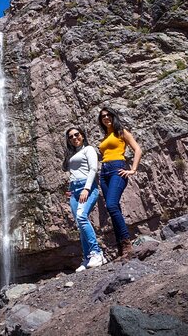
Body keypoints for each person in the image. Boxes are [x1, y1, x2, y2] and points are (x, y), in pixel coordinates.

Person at [97, 107, 142, 260]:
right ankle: (120, 248)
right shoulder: (105, 136)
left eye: (109, 115)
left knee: (111, 205)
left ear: (113, 116)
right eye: (103, 116)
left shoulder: (121, 131)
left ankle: (126, 244)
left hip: (118, 169)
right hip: (104, 172)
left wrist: (133, 169)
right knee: (113, 209)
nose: (106, 118)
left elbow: (137, 149)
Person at [63, 126, 106, 272]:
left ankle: (97, 253)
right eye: (71, 136)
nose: (74, 138)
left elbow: (93, 169)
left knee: (82, 217)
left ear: (82, 135)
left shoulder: (89, 149)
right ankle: (87, 257)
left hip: (87, 188)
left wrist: (86, 189)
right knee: (81, 226)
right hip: (74, 190)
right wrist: (71, 190)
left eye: (77, 134)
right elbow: (74, 173)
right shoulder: (72, 154)